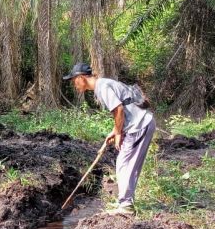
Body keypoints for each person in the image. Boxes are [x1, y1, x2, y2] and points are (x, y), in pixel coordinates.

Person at [63, 63, 156, 216]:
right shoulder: (103, 84)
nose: (74, 84)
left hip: (139, 125)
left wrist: (119, 134)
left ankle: (126, 206)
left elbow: (119, 109)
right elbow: (123, 108)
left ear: (81, 77)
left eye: (74, 80)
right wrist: (114, 131)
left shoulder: (102, 87)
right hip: (140, 123)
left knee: (124, 164)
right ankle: (125, 202)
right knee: (126, 163)